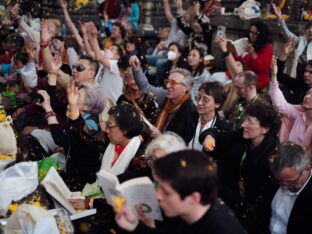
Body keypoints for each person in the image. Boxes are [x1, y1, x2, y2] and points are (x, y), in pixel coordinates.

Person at [114, 150, 246, 234]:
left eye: (166, 192)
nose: (157, 195)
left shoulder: (221, 228)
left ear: (194, 198)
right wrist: (135, 225)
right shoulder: (188, 211)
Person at [200, 100, 281, 233]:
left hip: (245, 217)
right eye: (245, 119)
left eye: (250, 122)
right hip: (223, 198)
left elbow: (258, 203)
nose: (243, 124)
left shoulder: (272, 158)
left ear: (265, 129)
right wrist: (210, 137)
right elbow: (215, 133)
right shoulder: (241, 137)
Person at [37, 79, 105, 190]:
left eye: (77, 96)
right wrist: (53, 75)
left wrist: (48, 110)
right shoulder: (76, 113)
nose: (72, 97)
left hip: (80, 182)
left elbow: (60, 139)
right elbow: (55, 103)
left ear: (86, 107)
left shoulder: (90, 124)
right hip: (70, 162)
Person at [130, 55, 197, 143]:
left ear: (186, 88)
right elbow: (145, 87)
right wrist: (137, 69)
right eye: (167, 81)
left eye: (173, 83)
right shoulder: (166, 95)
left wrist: (160, 137)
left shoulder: (191, 111)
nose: (168, 86)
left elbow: (182, 145)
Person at [270, 57, 312, 153]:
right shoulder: (299, 114)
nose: (307, 97)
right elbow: (279, 104)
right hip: (286, 159)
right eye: (308, 93)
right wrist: (274, 75)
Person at [269, 142, 312, 234]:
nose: (284, 186)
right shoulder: (274, 179)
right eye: (280, 181)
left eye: (291, 182)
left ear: (307, 169)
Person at [272, 3, 312, 80]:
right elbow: (288, 35)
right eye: (309, 28)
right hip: (298, 78)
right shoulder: (301, 41)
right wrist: (280, 18)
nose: (310, 30)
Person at [189, 81, 230, 150]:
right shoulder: (189, 116)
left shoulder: (223, 128)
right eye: (198, 97)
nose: (199, 103)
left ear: (217, 104)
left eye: (205, 100)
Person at [234, 21, 273, 91]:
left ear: (261, 34)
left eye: (255, 33)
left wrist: (253, 54)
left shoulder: (267, 47)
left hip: (257, 81)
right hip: (242, 76)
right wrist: (234, 51)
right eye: (250, 32)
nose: (251, 35)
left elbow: (262, 69)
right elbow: (240, 59)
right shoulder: (248, 42)